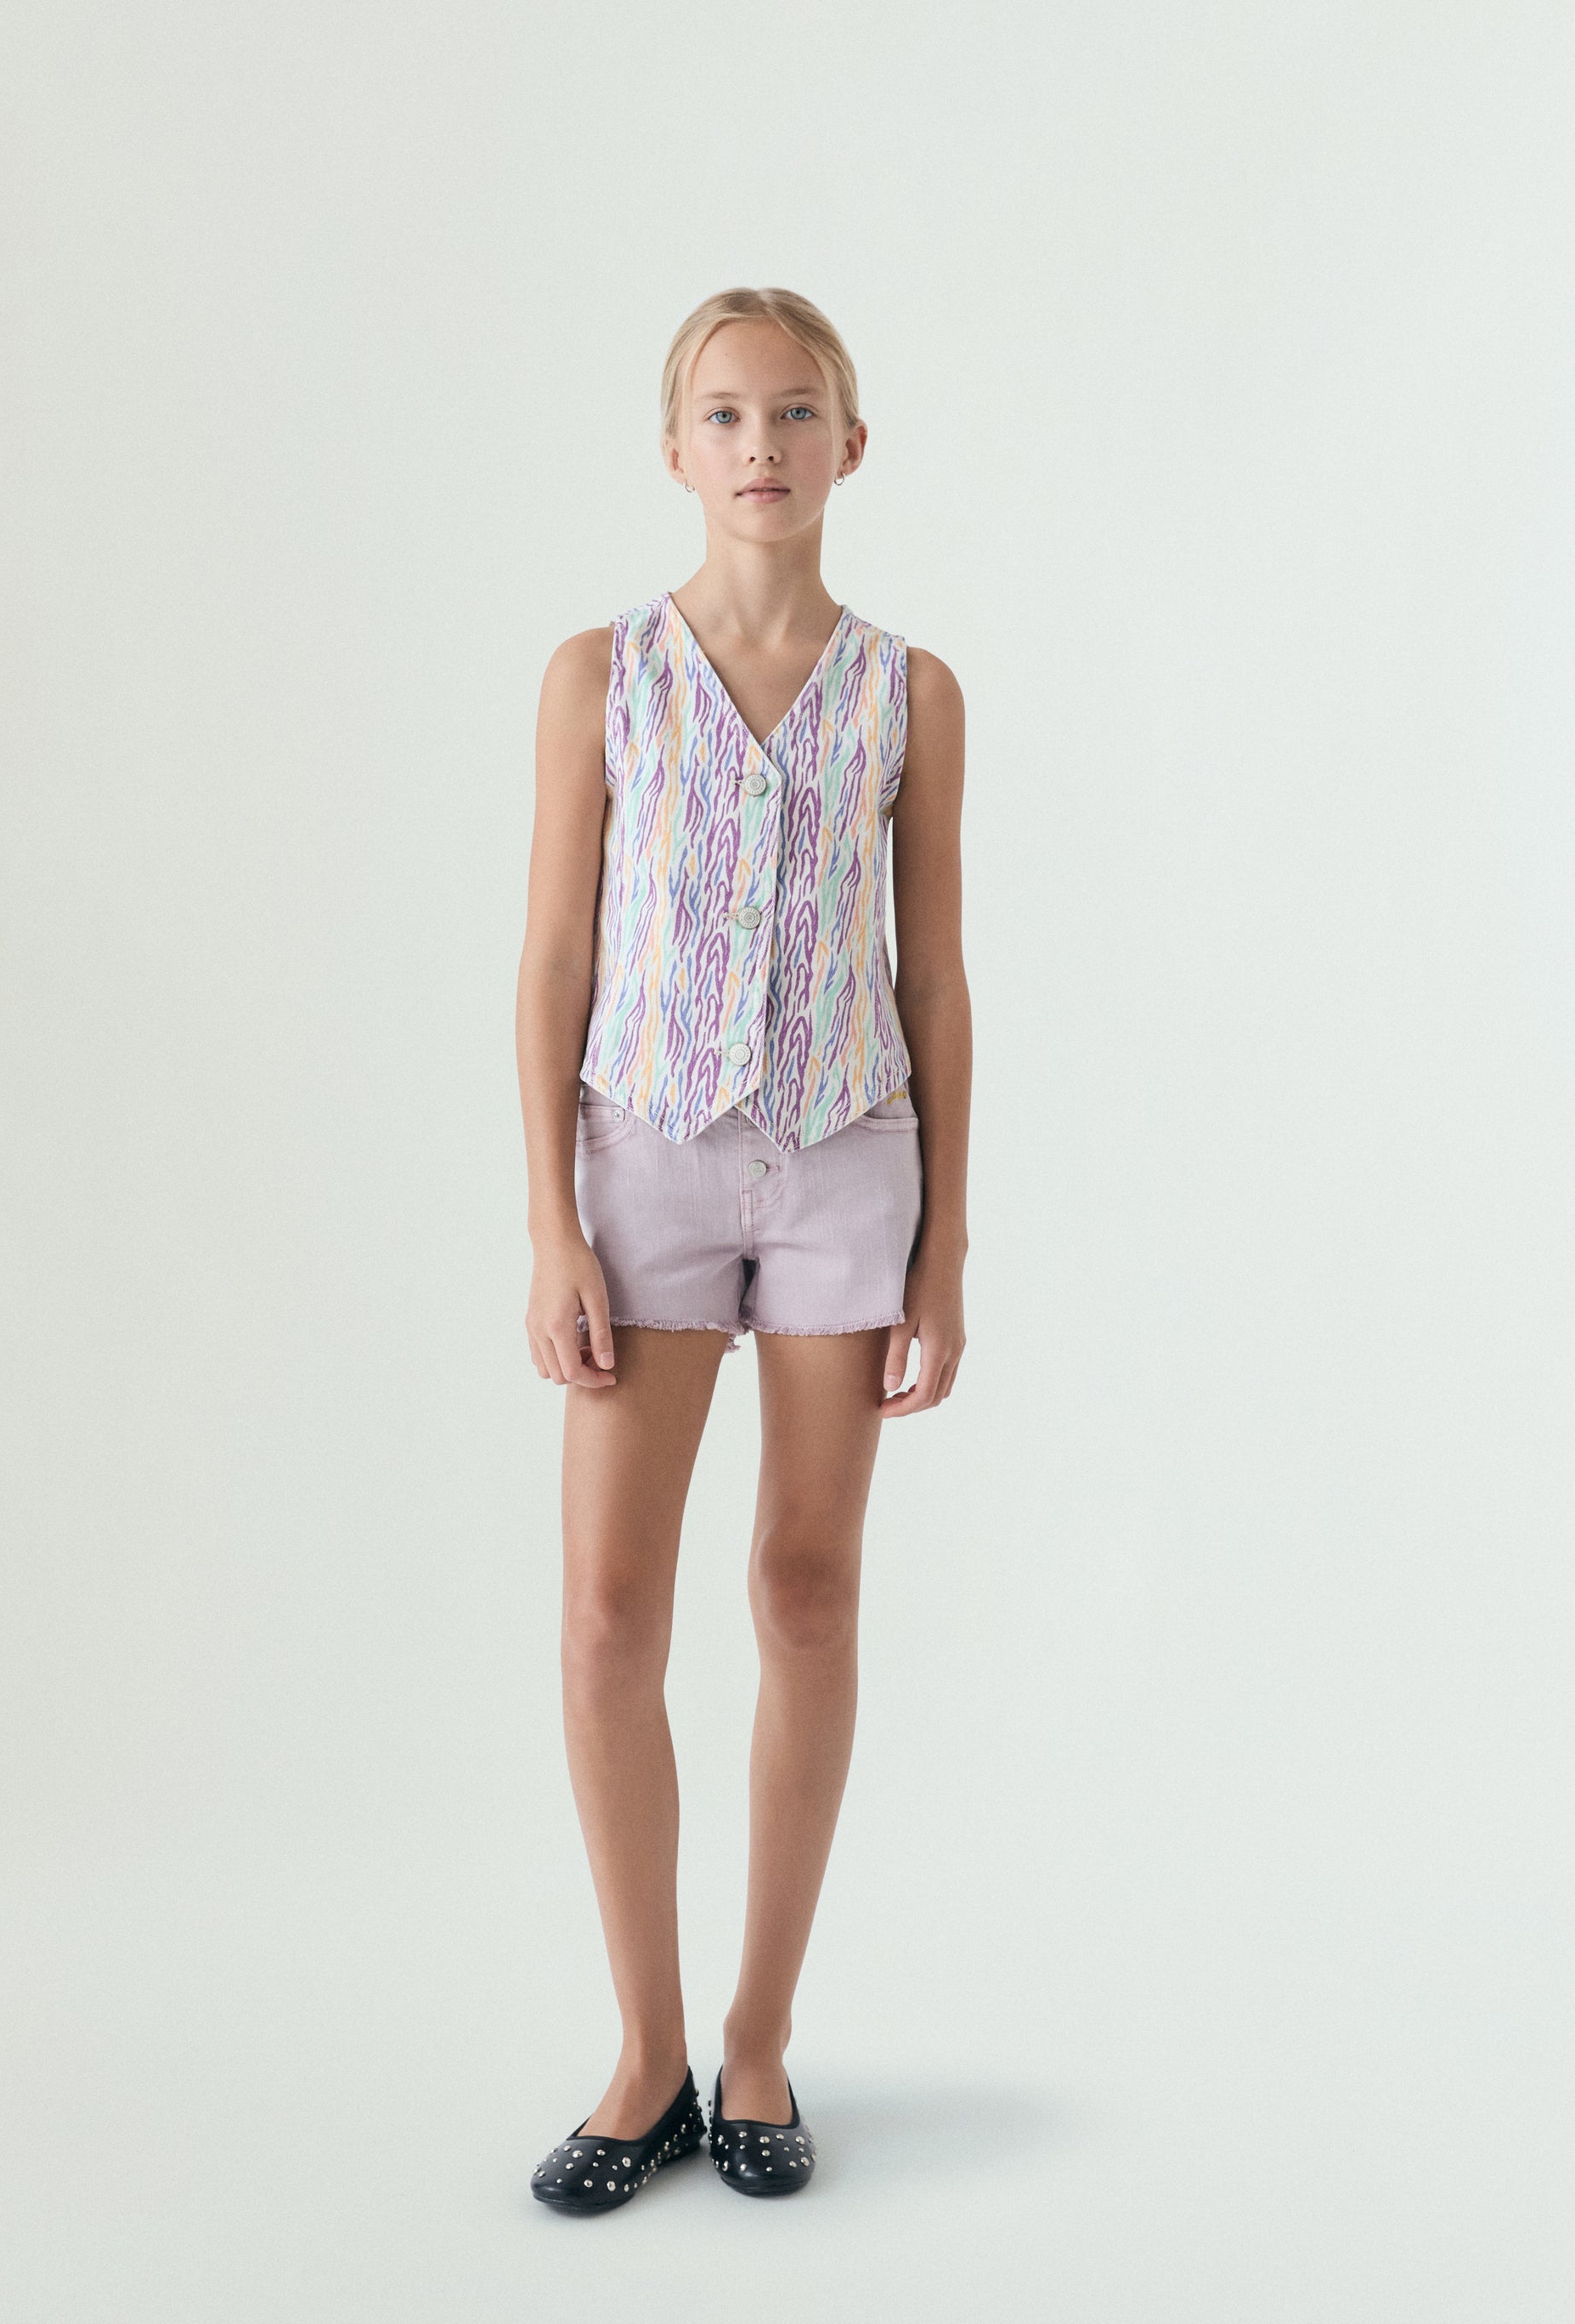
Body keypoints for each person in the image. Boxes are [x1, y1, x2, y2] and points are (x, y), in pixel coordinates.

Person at [515, 286, 970, 2211]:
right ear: (674, 450)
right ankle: (645, 2056)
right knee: (610, 1616)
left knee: (803, 1591)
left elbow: (932, 975)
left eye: (794, 413)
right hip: (646, 1160)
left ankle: (759, 2038)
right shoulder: (600, 676)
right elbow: (553, 956)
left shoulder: (908, 693)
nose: (759, 446)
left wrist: (944, 1247)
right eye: (723, 415)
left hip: (848, 1159)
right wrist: (552, 1220)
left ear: (849, 447)